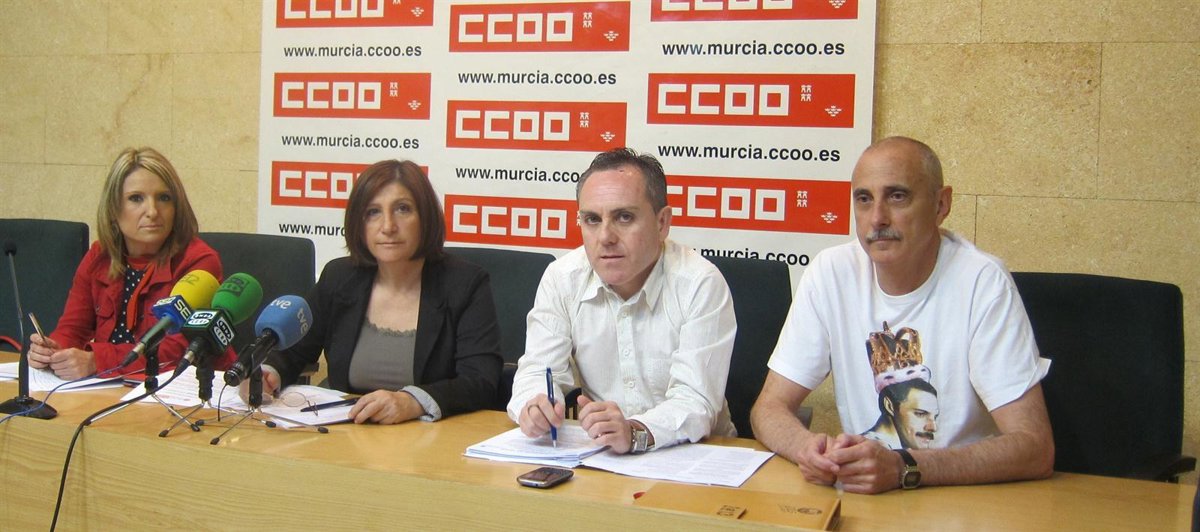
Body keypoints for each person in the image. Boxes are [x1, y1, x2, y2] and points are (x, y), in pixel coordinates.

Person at [751, 136, 1054, 494]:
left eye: (897, 197)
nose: (877, 218)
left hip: (964, 498)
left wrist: (904, 467)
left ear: (941, 205)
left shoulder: (982, 282)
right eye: (864, 199)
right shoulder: (831, 272)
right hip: (870, 500)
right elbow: (768, 409)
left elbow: (1034, 447)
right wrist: (808, 449)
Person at [507, 147, 737, 454]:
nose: (605, 237)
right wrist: (535, 405)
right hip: (604, 453)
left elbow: (695, 401)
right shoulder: (562, 278)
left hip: (699, 455)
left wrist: (635, 431)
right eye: (592, 219)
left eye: (624, 217)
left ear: (662, 223)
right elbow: (538, 370)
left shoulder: (699, 283)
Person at [261, 159, 502, 425]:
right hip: (346, 433)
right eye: (373, 212)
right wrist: (268, 373)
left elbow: (480, 379)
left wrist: (413, 401)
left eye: (402, 209)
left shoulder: (464, 284)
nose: (388, 226)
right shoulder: (339, 277)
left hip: (431, 437)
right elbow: (293, 351)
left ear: (426, 218)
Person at [27, 147, 232, 380]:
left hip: (181, 390)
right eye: (136, 198)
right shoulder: (99, 256)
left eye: (164, 198)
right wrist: (52, 351)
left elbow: (180, 350)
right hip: (108, 388)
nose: (152, 211)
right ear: (113, 209)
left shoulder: (199, 261)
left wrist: (96, 361)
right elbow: (72, 328)